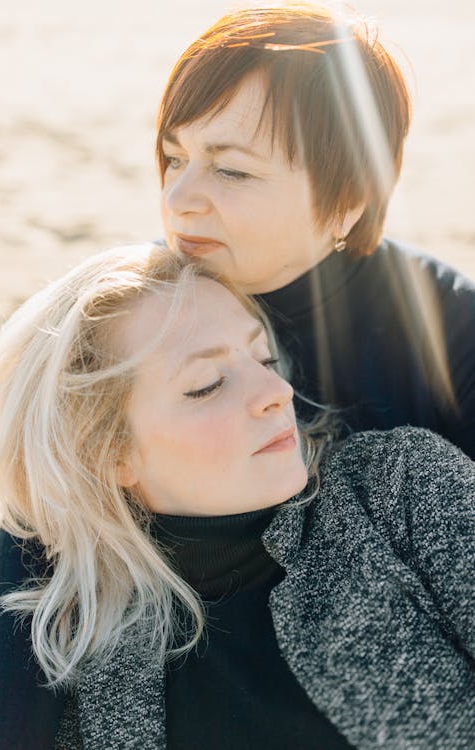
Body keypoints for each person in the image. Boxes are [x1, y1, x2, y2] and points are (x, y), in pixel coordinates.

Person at [0, 244, 474, 749]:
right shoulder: (80, 666)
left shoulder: (399, 485)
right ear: (109, 454)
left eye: (264, 357)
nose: (276, 392)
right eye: (208, 385)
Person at [156, 1, 475, 458]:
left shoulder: (454, 337)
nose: (175, 200)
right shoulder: (118, 322)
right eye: (175, 159)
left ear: (348, 199)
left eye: (230, 170)